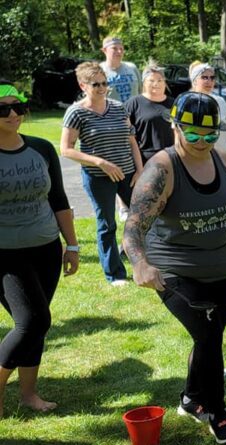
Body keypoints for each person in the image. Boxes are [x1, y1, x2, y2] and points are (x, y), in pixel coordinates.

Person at [123, 92, 226, 445]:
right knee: (208, 336)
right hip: (174, 273)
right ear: (175, 127)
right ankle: (218, 413)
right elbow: (132, 228)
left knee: (208, 340)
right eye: (193, 133)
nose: (202, 142)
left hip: (224, 269)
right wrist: (140, 264)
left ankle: (190, 398)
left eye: (210, 134)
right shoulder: (161, 169)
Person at [0, 81, 79, 418]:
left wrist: (72, 244)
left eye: (19, 107)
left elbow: (58, 198)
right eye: (3, 109)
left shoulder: (42, 149)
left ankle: (29, 394)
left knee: (36, 322)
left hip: (46, 247)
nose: (13, 114)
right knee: (32, 320)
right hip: (5, 254)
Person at [60, 61, 143, 285]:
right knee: (107, 224)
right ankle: (114, 274)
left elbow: (131, 139)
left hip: (128, 173)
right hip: (98, 177)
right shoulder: (76, 113)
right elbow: (66, 149)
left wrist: (140, 169)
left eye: (104, 83)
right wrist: (100, 162)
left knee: (143, 218)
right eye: (95, 84)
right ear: (83, 85)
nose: (102, 88)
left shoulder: (117, 107)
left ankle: (146, 260)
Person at [125, 62, 174, 164]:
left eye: (160, 80)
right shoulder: (133, 103)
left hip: (171, 157)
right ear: (144, 82)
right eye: (151, 80)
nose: (156, 84)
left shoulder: (174, 104)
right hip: (144, 159)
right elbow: (126, 135)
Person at [189, 62, 226, 152]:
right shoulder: (187, 103)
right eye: (204, 77)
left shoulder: (220, 101)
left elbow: (225, 134)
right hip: (198, 157)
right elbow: (180, 134)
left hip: (222, 156)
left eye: (212, 78)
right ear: (194, 81)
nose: (209, 81)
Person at [100, 37, 141, 103]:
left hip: (134, 112)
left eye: (121, 49)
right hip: (112, 112)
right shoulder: (99, 70)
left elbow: (142, 91)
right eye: (114, 48)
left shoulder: (132, 67)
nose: (119, 51)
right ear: (104, 50)